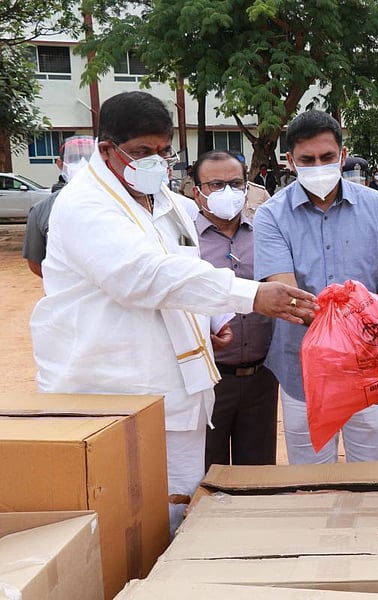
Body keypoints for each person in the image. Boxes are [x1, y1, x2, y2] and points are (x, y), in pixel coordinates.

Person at [30, 91, 316, 534]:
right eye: (142, 152)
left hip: (178, 389)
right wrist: (249, 296)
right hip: (112, 394)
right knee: (127, 524)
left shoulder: (162, 199)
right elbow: (143, 276)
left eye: (164, 151)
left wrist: (211, 322)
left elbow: (184, 267)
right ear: (107, 149)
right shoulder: (84, 205)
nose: (155, 162)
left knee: (180, 507)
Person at [253, 110, 378, 464]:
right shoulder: (271, 216)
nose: (318, 166)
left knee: (375, 476)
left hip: (372, 367)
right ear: (290, 162)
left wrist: (372, 318)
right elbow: (286, 293)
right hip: (304, 374)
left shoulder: (375, 205)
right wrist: (351, 324)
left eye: (327, 157)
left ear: (342, 156)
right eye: (307, 160)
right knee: (312, 483)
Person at [191, 150, 279, 470]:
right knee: (206, 472)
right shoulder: (182, 242)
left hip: (261, 377)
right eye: (216, 184)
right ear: (196, 191)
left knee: (257, 476)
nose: (228, 192)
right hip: (208, 379)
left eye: (236, 183)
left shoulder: (266, 235)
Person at [22, 135, 95, 278]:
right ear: (60, 164)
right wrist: (63, 282)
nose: (83, 163)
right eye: (74, 158)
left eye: (89, 157)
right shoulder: (41, 210)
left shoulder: (121, 203)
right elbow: (35, 263)